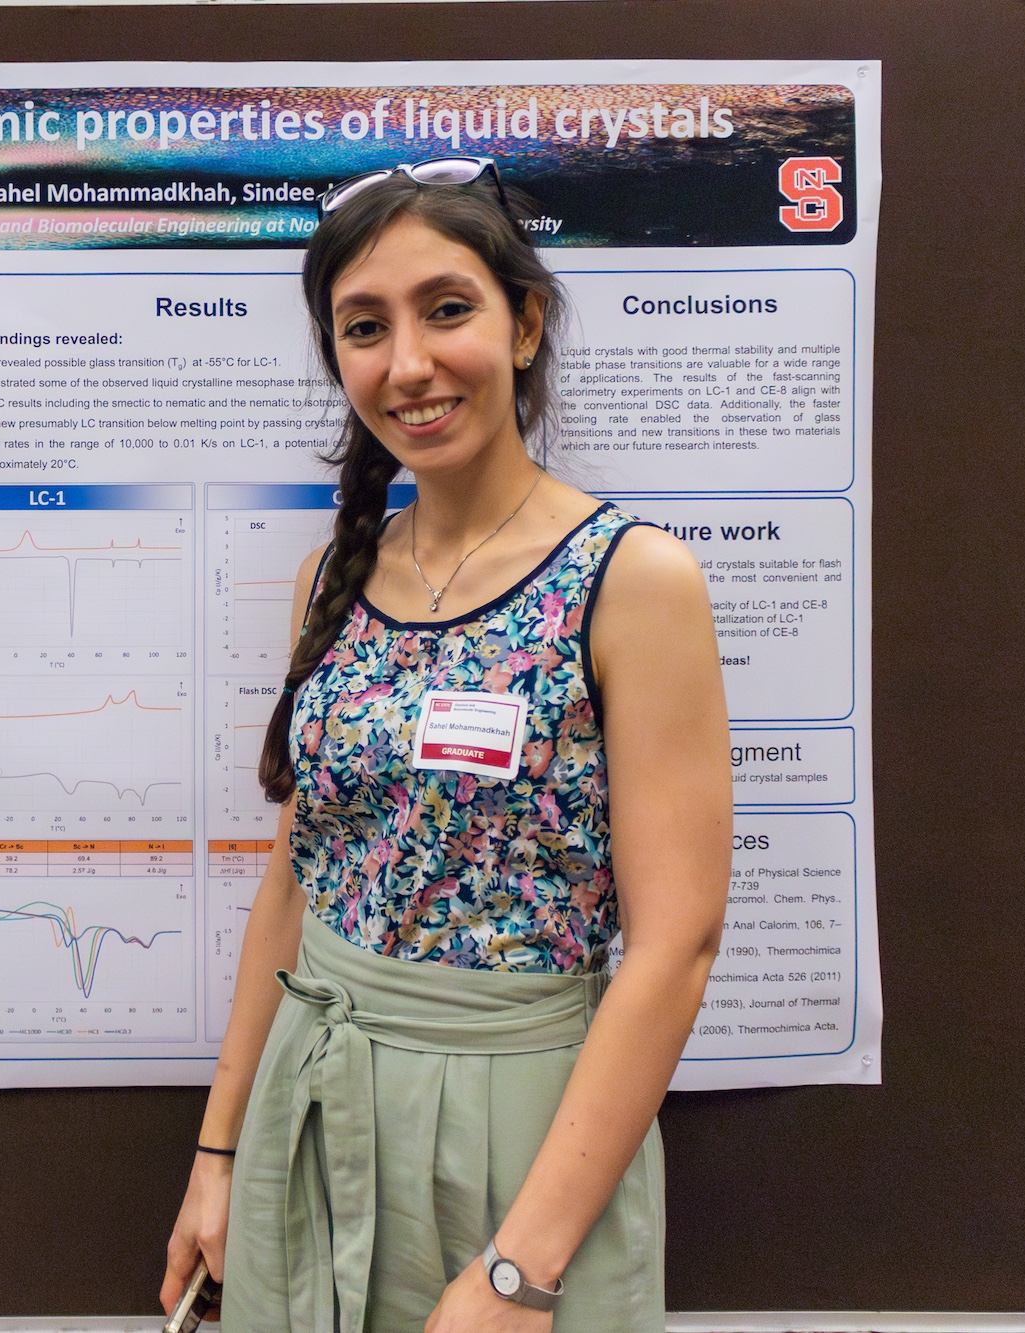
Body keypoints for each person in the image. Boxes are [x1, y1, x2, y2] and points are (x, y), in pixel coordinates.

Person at [159, 159, 732, 1333]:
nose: (406, 364)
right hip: (309, 1103)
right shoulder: (338, 574)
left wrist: (519, 1269)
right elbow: (296, 875)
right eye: (364, 328)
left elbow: (675, 945)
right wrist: (216, 1154)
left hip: (520, 1132)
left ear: (523, 325)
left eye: (447, 309)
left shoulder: (630, 579)